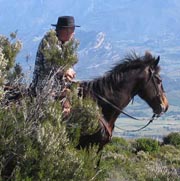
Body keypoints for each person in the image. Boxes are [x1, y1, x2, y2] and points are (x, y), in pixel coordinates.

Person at [30, 16, 80, 115]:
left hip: (59, 86)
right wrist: (66, 70)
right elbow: (49, 64)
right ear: (65, 30)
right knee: (49, 114)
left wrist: (69, 71)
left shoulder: (63, 43)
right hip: (46, 87)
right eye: (72, 29)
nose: (73, 33)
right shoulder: (50, 41)